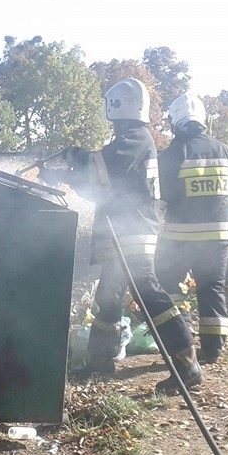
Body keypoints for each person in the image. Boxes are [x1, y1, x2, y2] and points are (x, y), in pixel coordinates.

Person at [41, 78, 202, 394]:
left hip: (133, 232)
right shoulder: (131, 138)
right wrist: (62, 176)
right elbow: (101, 186)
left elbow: (101, 165)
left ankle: (187, 364)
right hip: (121, 232)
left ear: (116, 106)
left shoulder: (135, 138)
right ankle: (101, 362)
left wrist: (74, 157)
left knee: (150, 295)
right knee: (109, 298)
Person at [155, 92, 228, 365]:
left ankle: (181, 338)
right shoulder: (224, 151)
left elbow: (159, 199)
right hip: (219, 236)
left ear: (175, 122)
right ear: (203, 121)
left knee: (167, 285)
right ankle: (213, 349)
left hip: (179, 238)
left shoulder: (173, 155)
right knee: (212, 288)